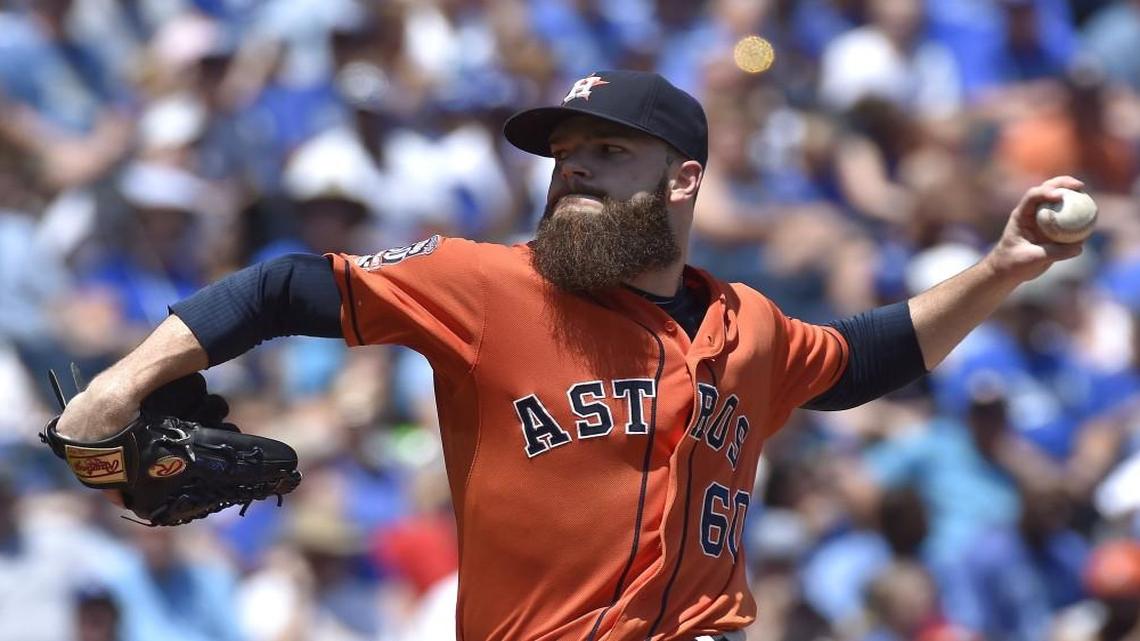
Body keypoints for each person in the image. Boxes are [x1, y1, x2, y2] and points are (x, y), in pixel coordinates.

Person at [52, 69, 1086, 641]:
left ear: (682, 180)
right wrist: (119, 381)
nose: (572, 173)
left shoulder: (750, 325)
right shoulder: (487, 285)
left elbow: (864, 359)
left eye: (606, 154)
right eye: (565, 157)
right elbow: (282, 287)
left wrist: (1001, 267)